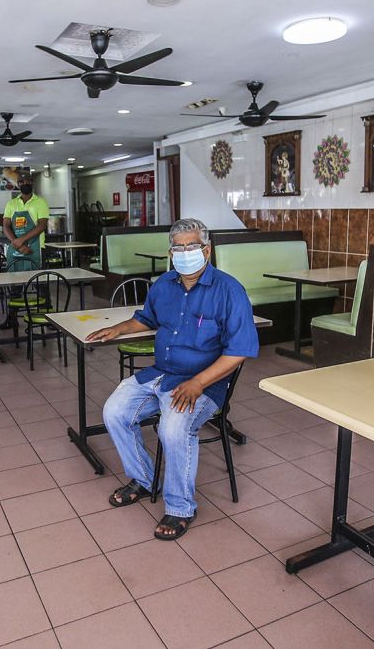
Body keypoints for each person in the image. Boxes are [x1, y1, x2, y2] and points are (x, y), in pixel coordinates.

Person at [87, 218, 259, 540]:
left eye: (191, 247)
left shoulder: (229, 290)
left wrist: (197, 383)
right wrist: (119, 329)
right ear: (170, 253)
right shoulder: (164, 284)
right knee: (114, 411)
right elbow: (145, 319)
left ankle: (180, 507)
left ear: (206, 251)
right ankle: (143, 478)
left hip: (204, 383)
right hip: (161, 374)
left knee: (173, 427)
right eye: (177, 248)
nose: (184, 253)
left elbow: (239, 352)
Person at [0, 173, 49, 329]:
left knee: (41, 286)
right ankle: (12, 318)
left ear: (32, 182)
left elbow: (42, 226)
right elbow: (6, 226)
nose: (24, 183)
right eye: (21, 181)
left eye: (27, 181)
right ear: (18, 184)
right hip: (16, 250)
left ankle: (47, 318)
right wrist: (18, 243)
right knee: (15, 287)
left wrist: (21, 240)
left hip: (36, 250)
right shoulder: (11, 204)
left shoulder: (40, 202)